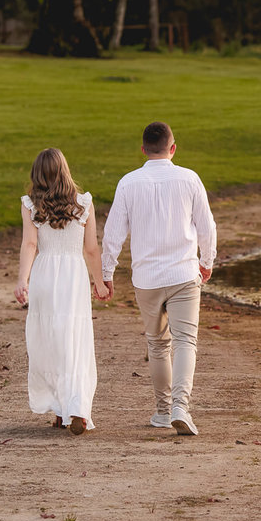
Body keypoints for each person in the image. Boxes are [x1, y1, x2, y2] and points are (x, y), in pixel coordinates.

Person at [101, 121, 216, 435]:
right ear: (173, 148)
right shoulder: (189, 178)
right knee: (185, 341)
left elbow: (112, 234)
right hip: (183, 274)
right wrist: (207, 262)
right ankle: (181, 406)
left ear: (143, 150)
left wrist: (107, 273)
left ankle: (163, 411)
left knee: (157, 344)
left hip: (147, 279)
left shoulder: (129, 183)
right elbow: (207, 227)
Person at [14, 148, 111, 435]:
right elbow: (91, 249)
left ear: (36, 175)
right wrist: (99, 282)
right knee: (74, 340)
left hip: (45, 274)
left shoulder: (31, 205)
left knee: (50, 340)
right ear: (65, 172)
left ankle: (60, 409)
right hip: (73, 276)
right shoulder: (84, 204)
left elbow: (30, 245)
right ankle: (75, 407)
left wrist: (23, 280)